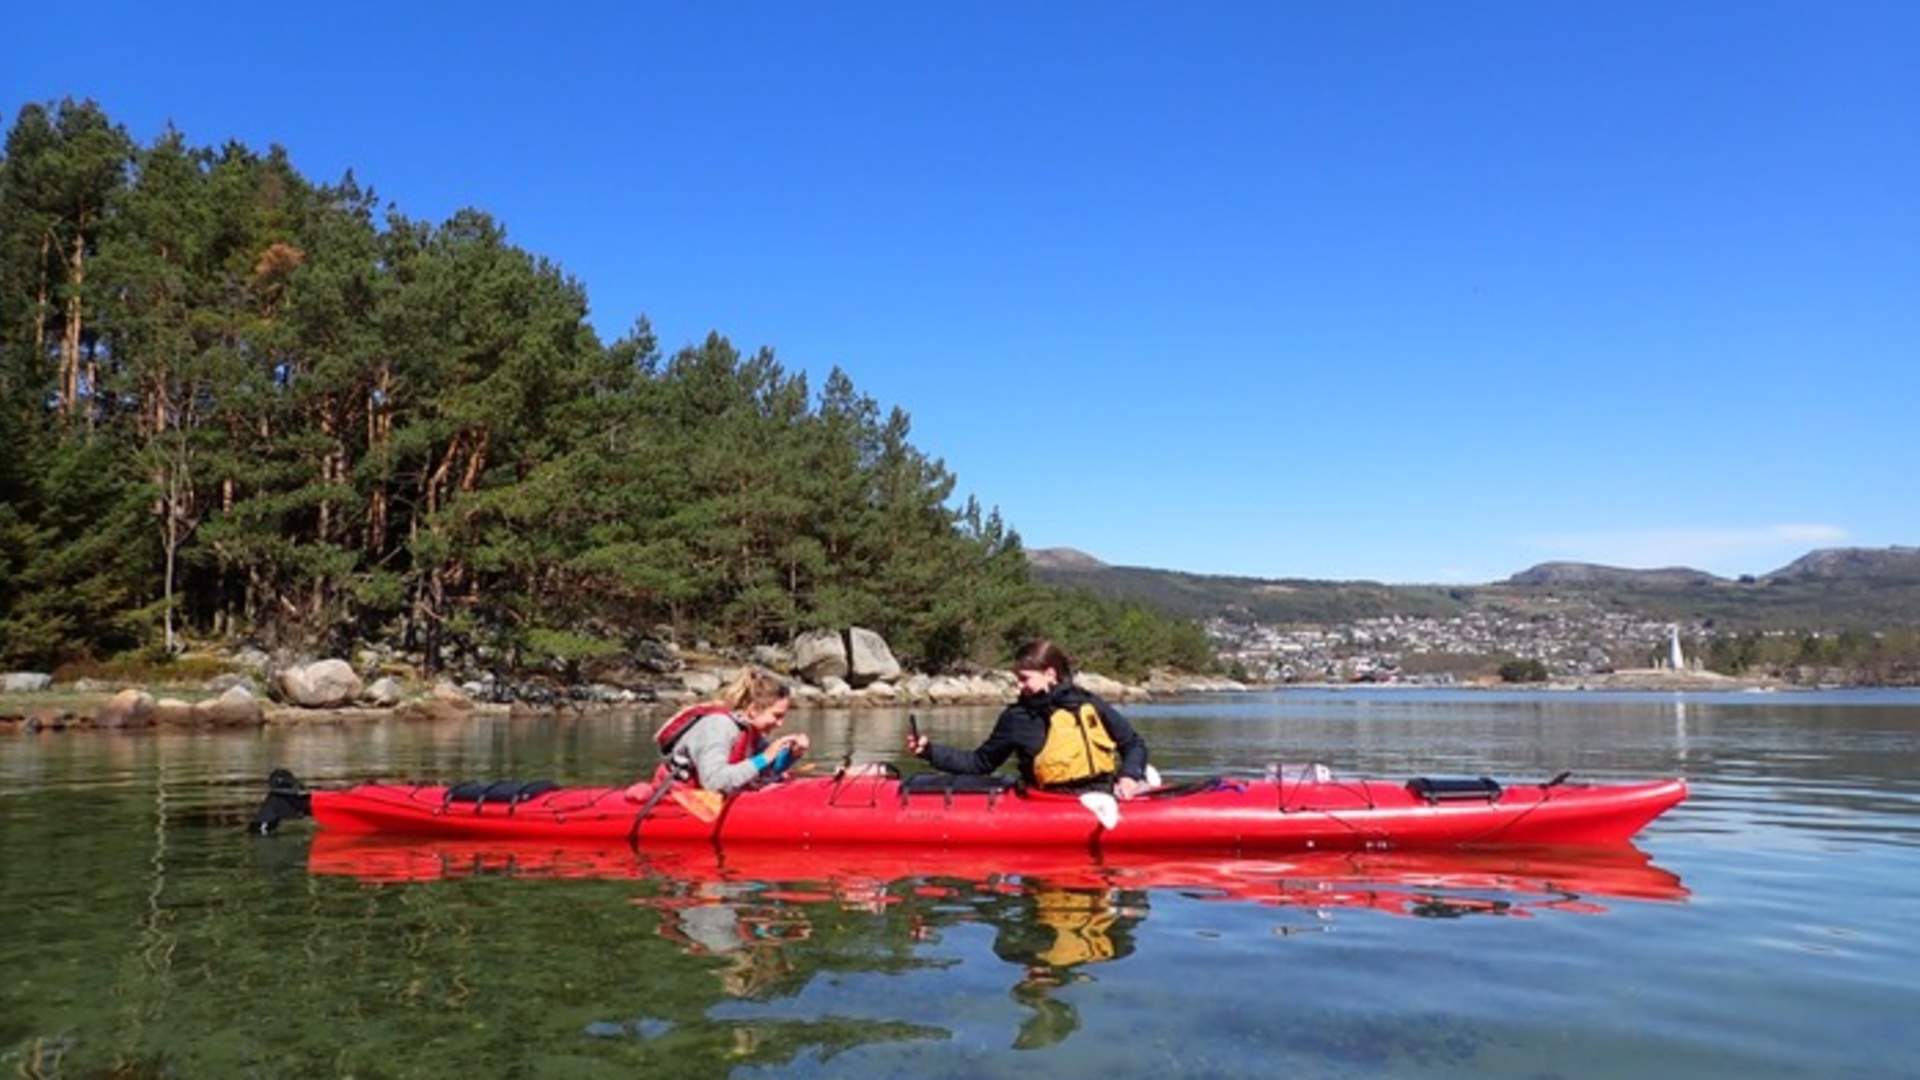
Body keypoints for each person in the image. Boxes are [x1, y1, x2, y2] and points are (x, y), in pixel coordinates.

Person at [905, 639, 1152, 799]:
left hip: (1104, 793)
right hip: (1049, 801)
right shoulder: (1017, 718)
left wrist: (1129, 776)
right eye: (1017, 680)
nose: (1019, 686)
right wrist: (929, 751)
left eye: (1025, 679)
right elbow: (979, 763)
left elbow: (1133, 744)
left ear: (1050, 674)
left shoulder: (1089, 704)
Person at [654, 668, 809, 794]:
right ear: (754, 709)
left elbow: (763, 770)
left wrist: (792, 754)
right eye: (777, 716)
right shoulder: (717, 727)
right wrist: (765, 757)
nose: (780, 724)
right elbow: (713, 782)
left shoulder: (748, 729)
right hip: (680, 800)